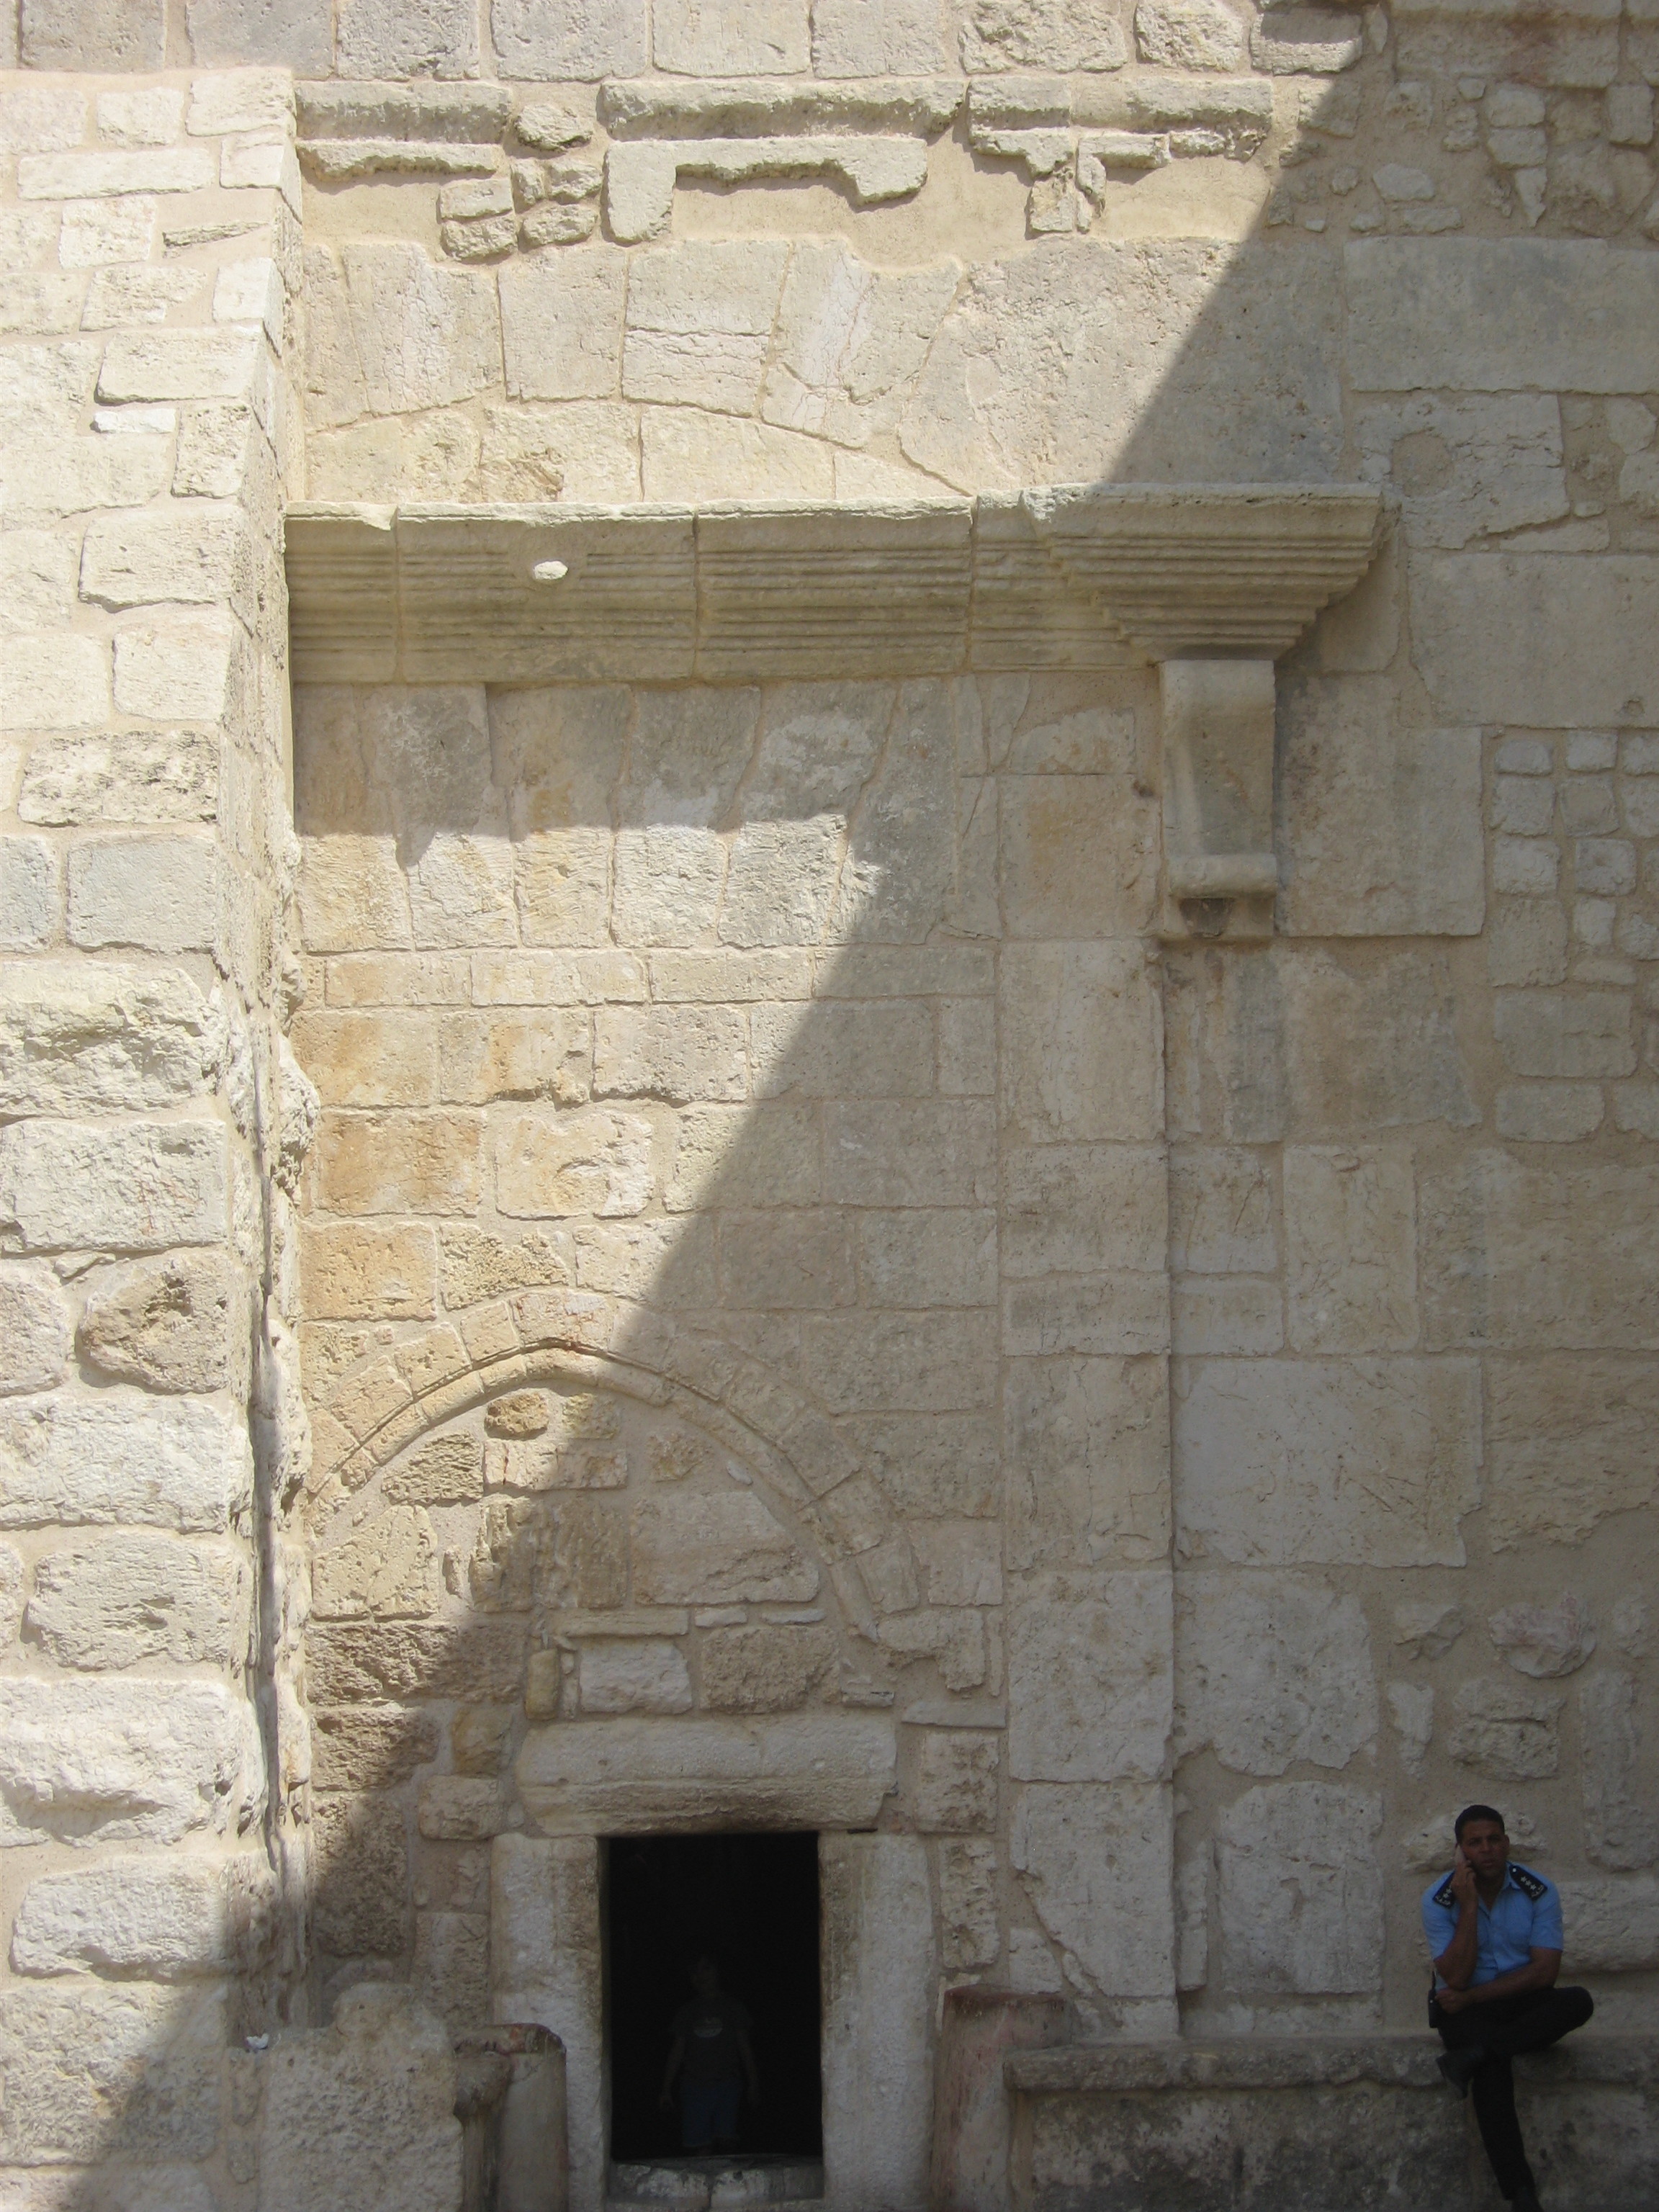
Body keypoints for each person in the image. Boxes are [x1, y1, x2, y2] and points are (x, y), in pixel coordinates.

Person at [1422, 1803, 1593, 2212]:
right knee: (1493, 2070)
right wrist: (1467, 1905)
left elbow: (1545, 1973)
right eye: (1475, 1843)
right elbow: (1456, 1978)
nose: (1486, 1850)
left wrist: (1475, 1996)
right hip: (1461, 2010)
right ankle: (1522, 2194)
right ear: (1461, 1851)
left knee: (1578, 2001)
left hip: (1510, 2000)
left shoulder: (1539, 1890)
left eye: (1494, 1839)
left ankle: (1477, 2054)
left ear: (1507, 1843)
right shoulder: (1438, 1900)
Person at [658, 1953, 760, 2154]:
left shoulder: (733, 2007)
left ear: (718, 1971)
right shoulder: (687, 2012)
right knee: (700, 2147)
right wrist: (666, 2088)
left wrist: (754, 2083)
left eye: (706, 1968)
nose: (700, 1975)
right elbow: (677, 2051)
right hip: (694, 2087)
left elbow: (745, 2048)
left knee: (727, 2143)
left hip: (728, 2084)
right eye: (694, 1971)